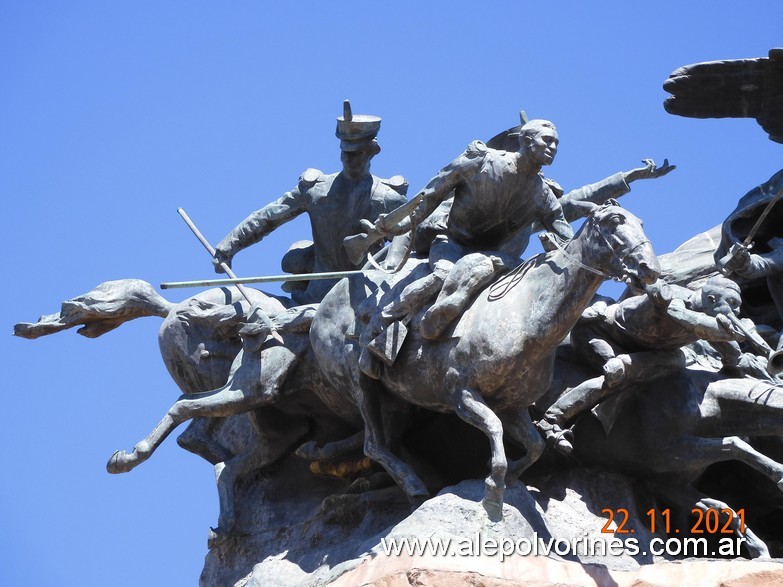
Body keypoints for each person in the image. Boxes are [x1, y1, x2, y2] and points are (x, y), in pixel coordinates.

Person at [363, 117, 673, 371]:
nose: (552, 148)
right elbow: (432, 193)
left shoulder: (542, 194)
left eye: (556, 144)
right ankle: (380, 330)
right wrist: (399, 225)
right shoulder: (481, 161)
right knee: (442, 275)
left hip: (496, 259)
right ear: (525, 141)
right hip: (452, 243)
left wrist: (626, 183)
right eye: (546, 141)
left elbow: (570, 227)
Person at [540, 276, 771, 454]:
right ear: (711, 300)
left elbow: (733, 358)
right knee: (618, 372)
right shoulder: (674, 297)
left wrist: (748, 354)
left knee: (676, 359)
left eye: (738, 306)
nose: (737, 311)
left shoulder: (712, 320)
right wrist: (726, 333)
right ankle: (554, 418)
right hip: (599, 335)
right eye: (732, 304)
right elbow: (686, 319)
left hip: (640, 354)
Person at [213, 101, 408, 304]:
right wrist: (229, 245)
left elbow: (407, 238)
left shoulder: (389, 198)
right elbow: (268, 217)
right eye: (345, 152)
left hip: (366, 294)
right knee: (291, 261)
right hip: (318, 294)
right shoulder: (317, 190)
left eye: (356, 153)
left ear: (372, 150)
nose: (348, 159)